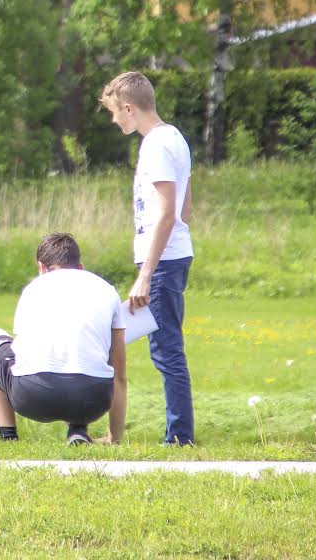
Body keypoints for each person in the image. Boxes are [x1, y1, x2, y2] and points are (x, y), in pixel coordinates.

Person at [100, 71, 195, 445]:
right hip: (171, 257)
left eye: (114, 112)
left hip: (163, 264)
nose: (113, 120)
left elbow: (170, 212)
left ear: (129, 107)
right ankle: (174, 434)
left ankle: (179, 437)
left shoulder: (156, 144)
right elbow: (186, 208)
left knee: (166, 349)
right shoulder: (175, 138)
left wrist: (146, 274)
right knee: (146, 342)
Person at [0, 233, 127, 445]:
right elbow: (119, 375)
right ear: (80, 267)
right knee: (78, 354)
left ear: (41, 268)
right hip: (93, 401)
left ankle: (8, 437)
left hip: (33, 397)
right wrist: (115, 438)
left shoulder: (33, 289)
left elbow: (22, 352)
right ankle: (78, 430)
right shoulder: (107, 290)